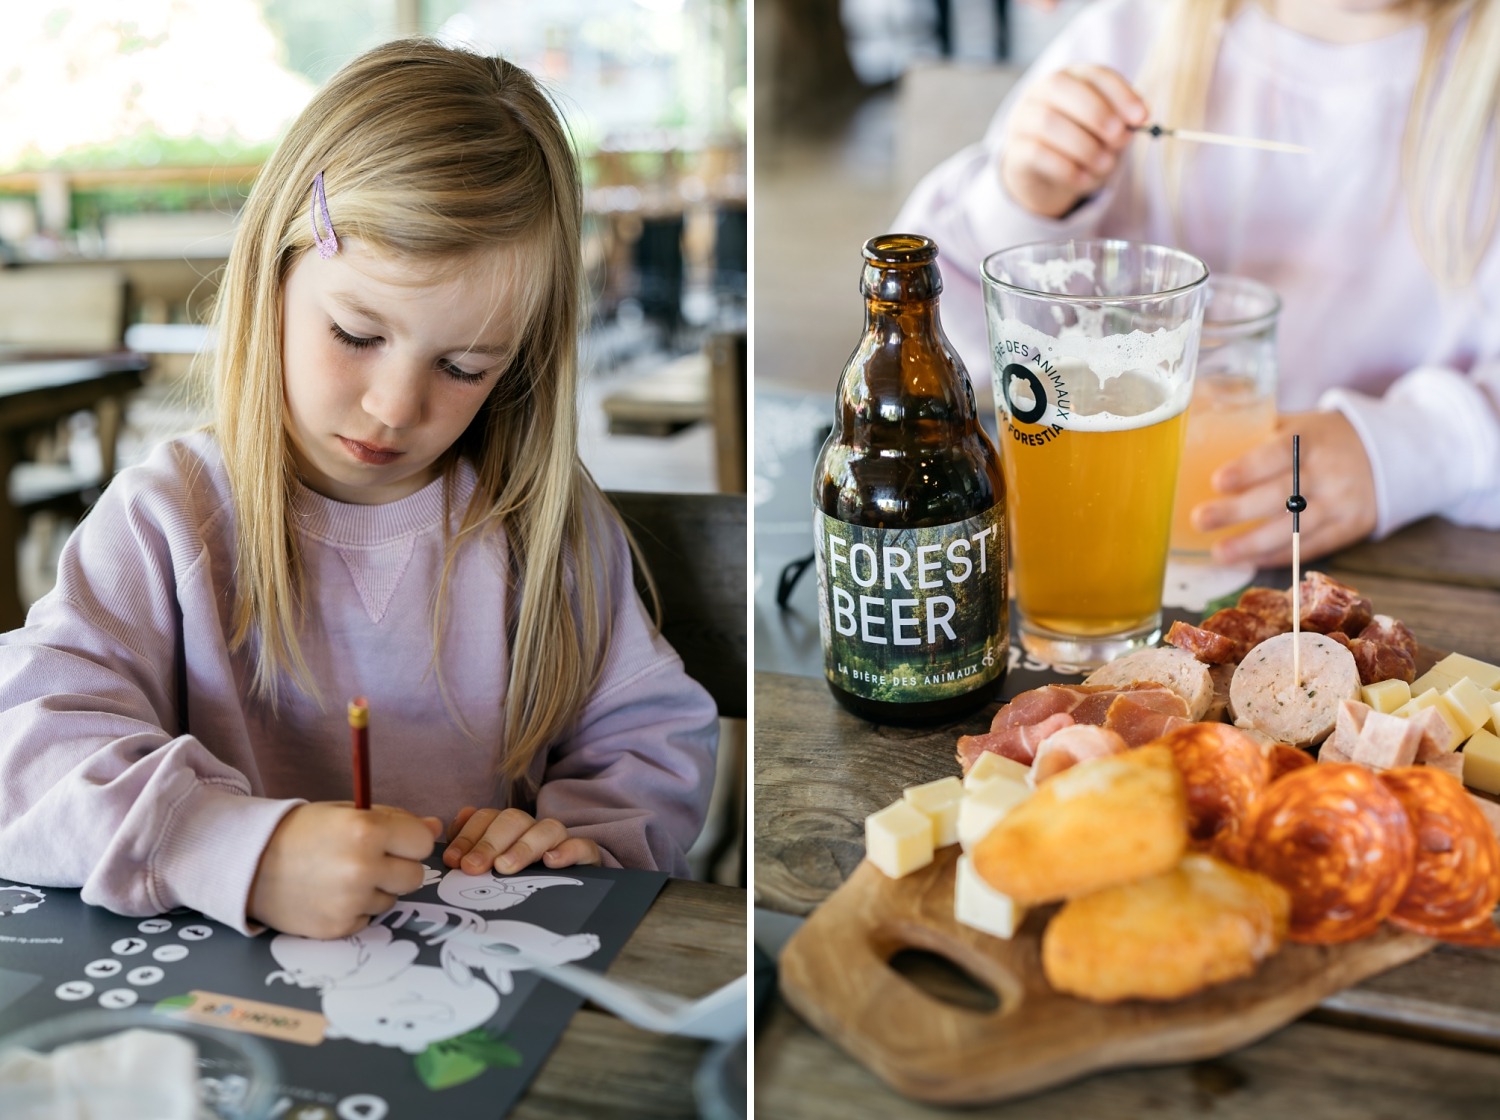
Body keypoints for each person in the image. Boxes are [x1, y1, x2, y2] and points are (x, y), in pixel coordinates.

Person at [0, 41, 718, 940]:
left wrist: (575, 841)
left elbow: (648, 740)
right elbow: (20, 751)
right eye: (354, 333)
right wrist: (235, 849)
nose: (394, 407)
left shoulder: (545, 528)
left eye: (463, 366)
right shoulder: (167, 519)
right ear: (275, 272)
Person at [895, 0, 1500, 567]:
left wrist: (1408, 452)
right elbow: (911, 325)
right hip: (1100, 540)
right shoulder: (1132, 35)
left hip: (1400, 569)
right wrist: (1024, 199)